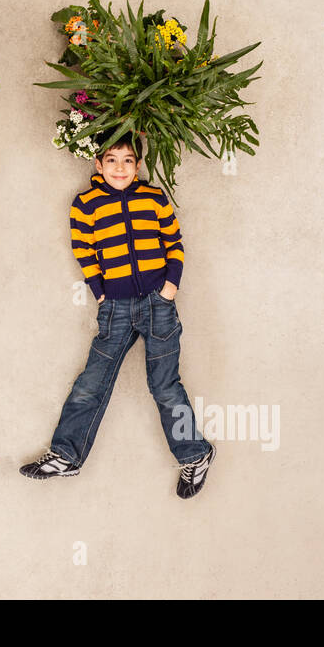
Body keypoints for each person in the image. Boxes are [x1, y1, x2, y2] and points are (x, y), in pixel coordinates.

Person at [19, 134, 216, 497]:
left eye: (128, 160)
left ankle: (196, 454)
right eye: (112, 160)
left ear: (138, 165)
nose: (120, 168)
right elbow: (84, 251)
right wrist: (102, 294)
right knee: (91, 382)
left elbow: (174, 243)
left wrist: (170, 287)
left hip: (159, 304)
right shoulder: (86, 204)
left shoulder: (154, 197)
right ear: (98, 164)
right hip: (116, 308)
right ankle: (65, 455)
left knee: (164, 385)